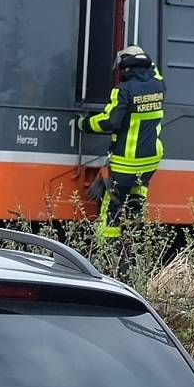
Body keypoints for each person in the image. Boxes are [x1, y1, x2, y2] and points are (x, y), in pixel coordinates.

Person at [78, 45, 165, 245]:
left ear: (126, 68)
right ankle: (133, 242)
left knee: (113, 205)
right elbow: (154, 70)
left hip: (126, 160)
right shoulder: (159, 86)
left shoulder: (123, 91)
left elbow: (110, 121)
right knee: (137, 192)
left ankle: (107, 248)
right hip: (150, 160)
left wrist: (84, 123)